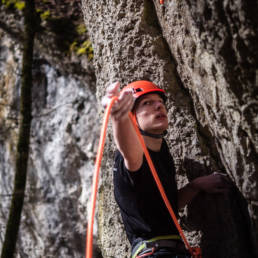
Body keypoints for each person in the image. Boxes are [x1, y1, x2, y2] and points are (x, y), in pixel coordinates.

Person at [102, 80, 229, 258]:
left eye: (160, 102)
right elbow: (130, 153)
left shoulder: (162, 151)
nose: (158, 106)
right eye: (147, 103)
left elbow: (166, 208)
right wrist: (119, 117)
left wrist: (194, 186)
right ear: (132, 117)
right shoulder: (131, 157)